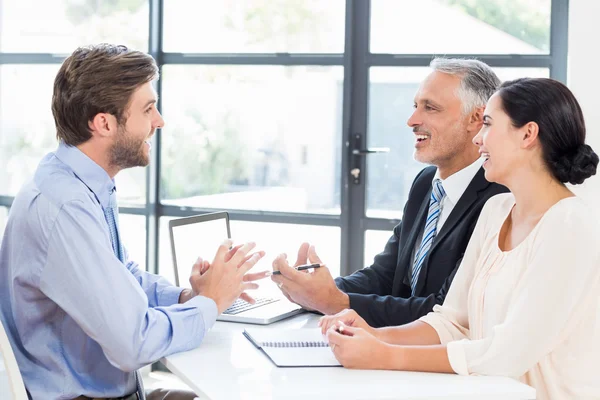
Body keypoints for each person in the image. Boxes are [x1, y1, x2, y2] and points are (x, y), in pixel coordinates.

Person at [0, 44, 268, 400]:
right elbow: (134, 343)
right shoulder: (66, 207)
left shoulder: (80, 182)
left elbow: (121, 276)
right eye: (148, 109)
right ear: (104, 123)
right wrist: (211, 304)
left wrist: (190, 296)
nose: (159, 121)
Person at [321, 77, 600, 400]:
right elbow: (452, 322)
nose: (478, 139)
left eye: (488, 125)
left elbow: (507, 353)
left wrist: (384, 354)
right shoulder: (497, 210)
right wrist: (373, 334)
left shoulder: (571, 226)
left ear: (528, 134)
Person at [272, 58, 508, 327]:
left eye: (430, 108)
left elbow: (447, 311)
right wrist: (313, 290)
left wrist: (335, 302)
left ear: (476, 119)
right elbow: (385, 275)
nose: (412, 120)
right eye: (415, 106)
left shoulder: (500, 198)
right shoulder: (426, 183)